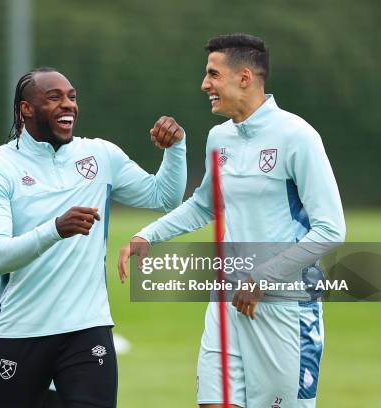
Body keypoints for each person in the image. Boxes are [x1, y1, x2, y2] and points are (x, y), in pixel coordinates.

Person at [118, 34, 346, 408]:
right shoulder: (218, 138)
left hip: (285, 306)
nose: (204, 84)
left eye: (213, 74)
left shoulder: (297, 136)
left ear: (244, 77)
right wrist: (148, 235)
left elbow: (331, 228)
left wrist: (262, 279)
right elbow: (206, 205)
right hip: (226, 301)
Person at [0, 67, 187, 407]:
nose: (68, 105)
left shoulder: (100, 155)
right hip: (22, 330)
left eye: (71, 97)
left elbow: (163, 197)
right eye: (54, 98)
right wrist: (55, 229)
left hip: (88, 329)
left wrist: (175, 149)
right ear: (26, 109)